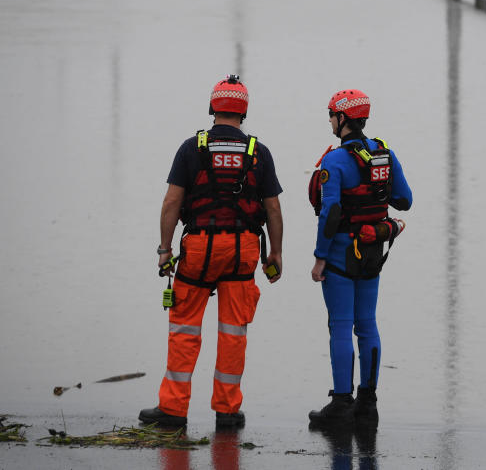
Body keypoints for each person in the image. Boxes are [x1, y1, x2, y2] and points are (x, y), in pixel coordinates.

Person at [139, 74, 284, 429]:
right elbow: (273, 210)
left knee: (185, 329)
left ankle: (173, 410)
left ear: (212, 107)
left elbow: (172, 201)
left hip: (199, 249)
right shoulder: (258, 152)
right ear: (243, 112)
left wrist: (164, 249)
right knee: (233, 332)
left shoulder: (192, 148)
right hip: (242, 251)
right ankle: (227, 411)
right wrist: (275, 254)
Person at [307, 89, 412, 428]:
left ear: (343, 119)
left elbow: (331, 212)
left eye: (331, 115)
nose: (329, 121)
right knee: (367, 324)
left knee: (340, 324)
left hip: (340, 253)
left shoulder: (335, 161)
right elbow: (404, 200)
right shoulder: (384, 154)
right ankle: (368, 404)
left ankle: (340, 404)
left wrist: (320, 257)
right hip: (372, 252)